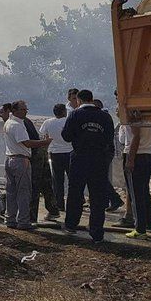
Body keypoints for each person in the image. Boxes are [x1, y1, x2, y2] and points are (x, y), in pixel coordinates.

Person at [62, 90, 116, 243]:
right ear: (92, 100)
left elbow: (66, 136)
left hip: (79, 157)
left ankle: (71, 225)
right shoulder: (105, 116)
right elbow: (109, 139)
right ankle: (97, 232)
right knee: (98, 197)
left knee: (75, 193)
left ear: (78, 100)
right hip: (99, 159)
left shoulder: (75, 115)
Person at [3, 101, 51, 229]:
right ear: (15, 110)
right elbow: (27, 143)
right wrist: (44, 142)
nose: (25, 111)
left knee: (11, 192)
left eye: (26, 109)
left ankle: (11, 219)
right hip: (20, 160)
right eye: (23, 109)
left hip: (10, 159)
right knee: (24, 192)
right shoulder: (17, 125)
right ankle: (24, 221)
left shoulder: (9, 122)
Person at [119, 123, 151, 238]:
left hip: (136, 154)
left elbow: (136, 136)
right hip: (147, 153)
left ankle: (140, 229)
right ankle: (149, 225)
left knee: (135, 194)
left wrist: (130, 159)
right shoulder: (144, 115)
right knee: (144, 192)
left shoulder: (132, 115)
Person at [23, 112, 59, 222]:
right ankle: (53, 210)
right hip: (41, 152)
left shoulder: (18, 123)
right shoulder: (25, 121)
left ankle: (31, 217)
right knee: (46, 183)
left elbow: (27, 142)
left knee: (34, 185)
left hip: (35, 154)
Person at [40, 104, 72, 211]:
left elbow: (43, 135)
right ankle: (75, 202)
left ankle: (59, 204)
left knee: (57, 180)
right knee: (72, 180)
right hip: (69, 153)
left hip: (55, 153)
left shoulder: (48, 122)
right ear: (64, 112)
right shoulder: (68, 121)